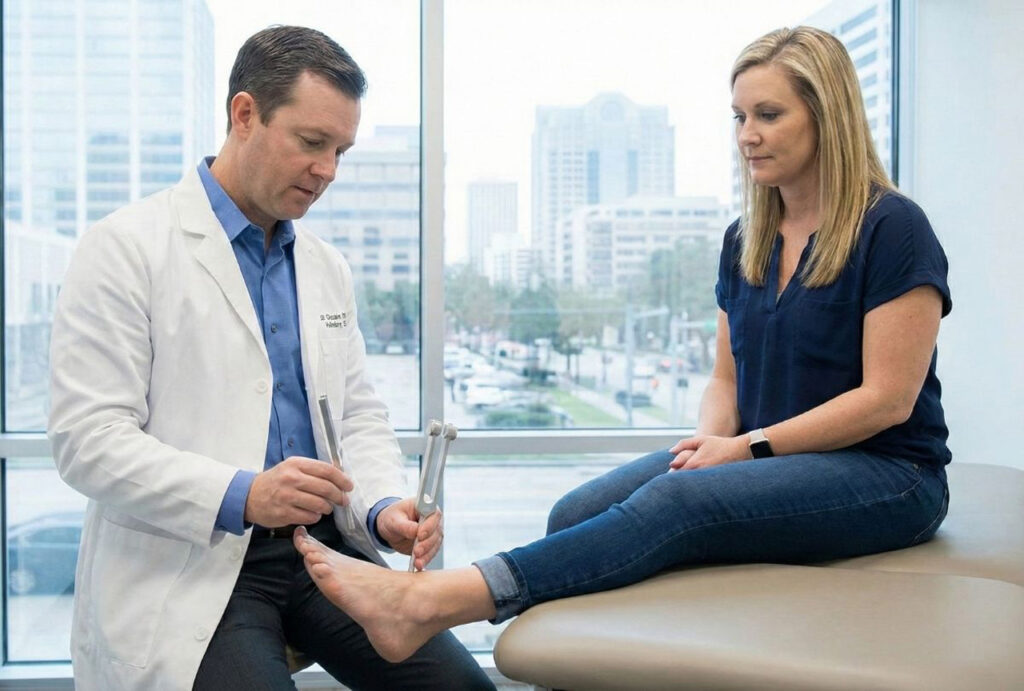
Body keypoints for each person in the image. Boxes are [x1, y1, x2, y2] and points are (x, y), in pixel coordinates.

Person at [290, 25, 953, 665]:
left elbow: (885, 400)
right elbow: (726, 380)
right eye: (738, 116)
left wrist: (742, 451)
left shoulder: (892, 227)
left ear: (826, 116)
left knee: (675, 502)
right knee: (572, 510)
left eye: (769, 115)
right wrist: (708, 444)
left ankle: (432, 600)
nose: (746, 135)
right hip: (757, 454)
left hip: (888, 473)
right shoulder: (748, 235)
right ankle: (579, 668)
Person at [48, 25, 492, 691]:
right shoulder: (125, 248)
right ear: (245, 114)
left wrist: (382, 508)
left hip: (322, 552)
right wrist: (245, 493)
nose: (329, 171)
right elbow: (88, 441)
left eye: (340, 150)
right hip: (197, 561)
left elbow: (359, 415)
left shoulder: (323, 266)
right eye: (312, 143)